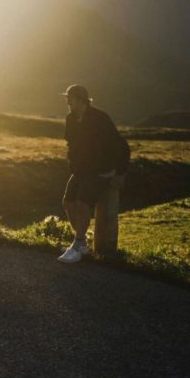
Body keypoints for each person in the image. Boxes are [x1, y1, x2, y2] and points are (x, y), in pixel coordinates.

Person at [58, 84, 130, 263]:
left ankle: (77, 245)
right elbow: (71, 144)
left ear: (81, 99)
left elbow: (121, 146)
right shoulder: (71, 118)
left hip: (101, 171)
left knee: (83, 204)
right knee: (68, 202)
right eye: (66, 97)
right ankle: (81, 242)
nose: (67, 101)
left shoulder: (100, 118)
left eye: (70, 97)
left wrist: (120, 173)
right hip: (81, 170)